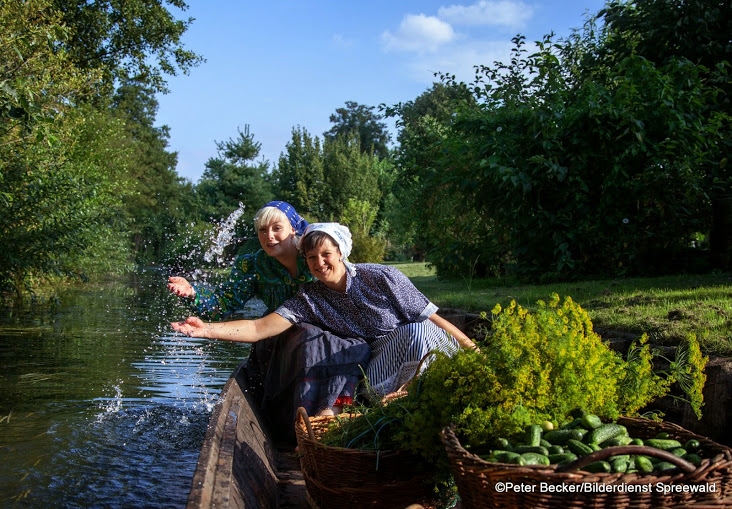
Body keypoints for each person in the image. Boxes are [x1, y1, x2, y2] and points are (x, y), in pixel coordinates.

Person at [171, 222, 476, 398]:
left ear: (341, 252)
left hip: (427, 349)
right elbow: (260, 328)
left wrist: (475, 352)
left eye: (326, 254)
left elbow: (433, 317)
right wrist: (207, 329)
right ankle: (399, 401)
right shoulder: (310, 299)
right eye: (311, 258)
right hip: (380, 366)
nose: (319, 263)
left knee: (417, 329)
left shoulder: (382, 277)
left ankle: (430, 390)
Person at [167, 203, 370, 442]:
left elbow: (346, 285)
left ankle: (326, 422)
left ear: (294, 228)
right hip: (277, 339)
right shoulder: (253, 265)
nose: (269, 236)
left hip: (328, 335)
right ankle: (298, 430)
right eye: (263, 230)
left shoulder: (314, 255)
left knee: (343, 344)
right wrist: (192, 294)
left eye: (276, 228)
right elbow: (221, 303)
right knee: (306, 335)